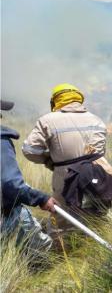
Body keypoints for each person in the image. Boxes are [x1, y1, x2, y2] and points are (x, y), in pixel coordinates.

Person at [22, 84, 112, 237]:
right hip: (100, 172)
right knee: (97, 213)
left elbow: (29, 150)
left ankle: (63, 256)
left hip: (67, 174)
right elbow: (100, 151)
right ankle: (94, 250)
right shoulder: (97, 120)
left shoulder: (48, 120)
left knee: (62, 221)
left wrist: (49, 160)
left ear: (55, 100)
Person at [1, 100, 57, 256]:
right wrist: (41, 198)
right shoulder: (1, 141)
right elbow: (9, 184)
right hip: (6, 213)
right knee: (42, 249)